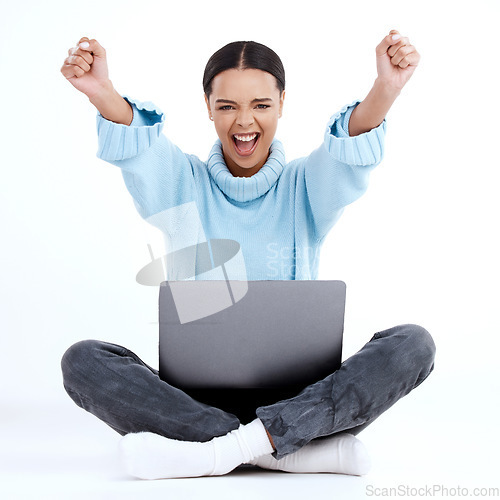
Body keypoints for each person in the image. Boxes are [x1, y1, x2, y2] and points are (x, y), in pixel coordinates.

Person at [60, 31, 436, 480]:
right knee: (82, 360)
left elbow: (348, 154)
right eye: (227, 106)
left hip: (302, 400)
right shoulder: (182, 182)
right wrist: (102, 91)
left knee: (413, 345)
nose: (245, 122)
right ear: (208, 107)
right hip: (193, 402)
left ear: (281, 103)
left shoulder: (305, 185)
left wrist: (386, 89)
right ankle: (280, 449)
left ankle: (225, 450)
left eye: (260, 105)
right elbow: (141, 150)